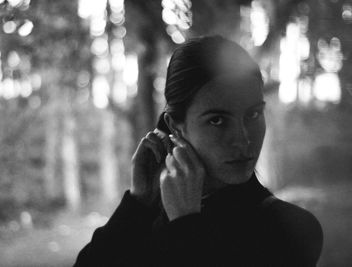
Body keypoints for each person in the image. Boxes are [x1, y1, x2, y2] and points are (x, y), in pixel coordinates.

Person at [73, 35, 323, 266]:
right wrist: (138, 203)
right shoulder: (145, 222)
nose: (243, 139)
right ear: (175, 125)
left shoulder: (291, 230)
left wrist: (185, 227)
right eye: (217, 120)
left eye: (253, 114)